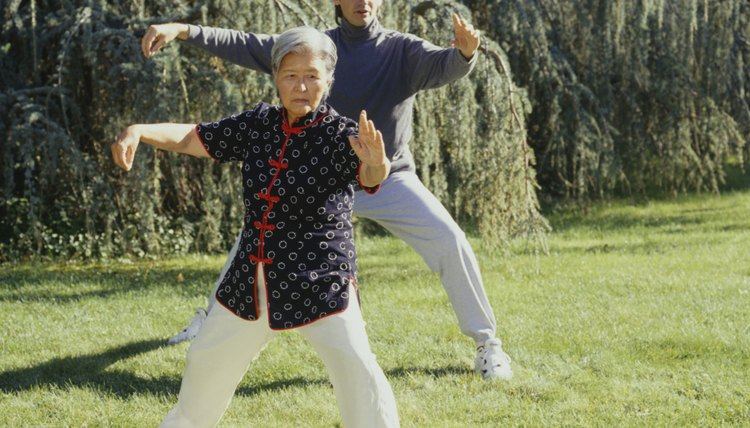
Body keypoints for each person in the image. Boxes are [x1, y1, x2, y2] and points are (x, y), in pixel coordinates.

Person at [142, 0, 512, 380]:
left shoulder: (403, 50)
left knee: (449, 238)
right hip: (318, 183)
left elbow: (444, 64)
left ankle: (487, 344)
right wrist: (185, 30)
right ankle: (211, 322)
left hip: (386, 176)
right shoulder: (317, 49)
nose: (362, 2)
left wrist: (466, 52)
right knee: (254, 238)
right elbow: (248, 44)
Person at [112, 26, 399, 427]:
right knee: (204, 362)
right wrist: (140, 131)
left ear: (329, 80)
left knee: (356, 367)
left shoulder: (342, 135)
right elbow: (196, 138)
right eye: (291, 74)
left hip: (320, 276)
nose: (301, 85)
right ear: (276, 78)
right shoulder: (259, 123)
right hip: (251, 277)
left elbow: (371, 175)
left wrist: (376, 161)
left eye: (312, 75)